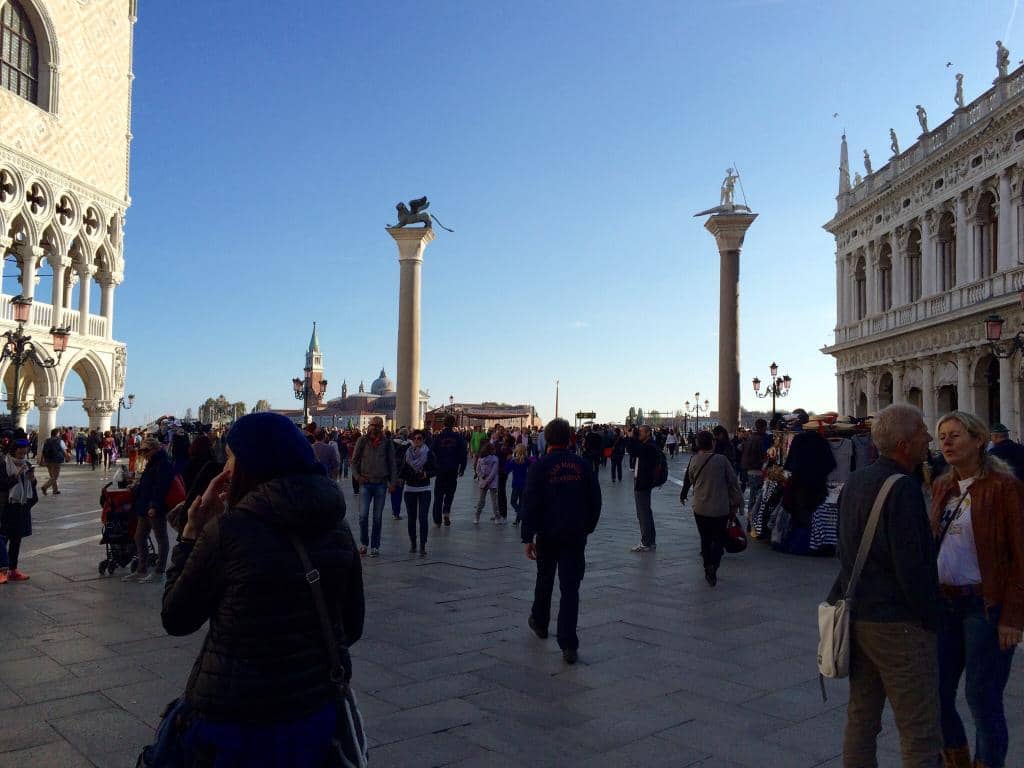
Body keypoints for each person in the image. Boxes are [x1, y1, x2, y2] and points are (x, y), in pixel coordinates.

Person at [161, 413, 364, 767]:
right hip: (312, 714)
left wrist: (192, 531)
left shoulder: (229, 532)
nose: (225, 469)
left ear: (251, 466)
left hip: (236, 720)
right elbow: (353, 624)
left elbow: (176, 617)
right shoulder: (338, 528)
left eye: (231, 458)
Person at [832, 404, 942, 768]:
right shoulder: (903, 489)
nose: (929, 437)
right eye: (923, 431)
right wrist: (931, 617)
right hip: (899, 626)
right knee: (920, 730)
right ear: (904, 443)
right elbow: (913, 568)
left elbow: (844, 550)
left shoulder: (856, 482)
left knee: (862, 719)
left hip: (859, 619)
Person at [931, 411, 1024, 768]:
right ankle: (955, 758)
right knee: (937, 693)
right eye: (942, 437)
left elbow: (1020, 555)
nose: (947, 442)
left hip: (985, 607)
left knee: (982, 697)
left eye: (955, 435)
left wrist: (1013, 617)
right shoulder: (942, 486)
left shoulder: (1004, 487)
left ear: (978, 440)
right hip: (944, 604)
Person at [521, 418, 601, 664]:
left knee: (544, 579)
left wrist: (527, 536)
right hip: (575, 536)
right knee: (570, 588)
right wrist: (587, 528)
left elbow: (530, 503)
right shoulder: (583, 465)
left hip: (547, 534)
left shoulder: (540, 466)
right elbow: (595, 500)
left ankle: (540, 621)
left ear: (547, 438)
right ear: (569, 439)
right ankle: (568, 643)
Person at [680, 431, 742, 586]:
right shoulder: (722, 460)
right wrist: (737, 503)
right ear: (712, 444)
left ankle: (707, 566)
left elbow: (690, 478)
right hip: (720, 507)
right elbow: (733, 482)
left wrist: (684, 494)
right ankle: (714, 565)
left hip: (700, 507)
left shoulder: (694, 460)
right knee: (719, 538)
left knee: (705, 539)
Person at [123, 437, 176, 584]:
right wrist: (135, 489)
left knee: (161, 539)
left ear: (155, 449)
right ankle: (141, 569)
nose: (143, 453)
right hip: (144, 506)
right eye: (142, 450)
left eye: (146, 450)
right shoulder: (152, 463)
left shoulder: (163, 464)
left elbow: (161, 487)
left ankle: (159, 571)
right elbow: (147, 484)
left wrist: (154, 506)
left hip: (154, 508)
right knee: (139, 537)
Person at [350, 417, 397, 557]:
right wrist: (357, 477)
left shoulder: (387, 443)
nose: (375, 428)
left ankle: (375, 546)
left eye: (378, 426)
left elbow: (392, 463)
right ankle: (364, 543)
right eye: (373, 425)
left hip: (381, 484)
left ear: (382, 427)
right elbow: (354, 461)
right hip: (365, 483)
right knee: (363, 516)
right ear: (369, 426)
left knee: (377, 517)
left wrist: (393, 482)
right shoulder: (362, 441)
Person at [0, 439, 38, 583]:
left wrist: (32, 479)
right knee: (3, 538)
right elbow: (3, 485)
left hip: (22, 506)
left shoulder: (27, 464)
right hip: (7, 506)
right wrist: (17, 475)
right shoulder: (4, 464)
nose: (23, 452)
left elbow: (31, 486)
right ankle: (2, 570)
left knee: (17, 539)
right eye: (21, 450)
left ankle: (13, 569)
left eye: (25, 450)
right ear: (13, 450)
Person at [399, 429, 436, 555]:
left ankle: (423, 545)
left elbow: (435, 469)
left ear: (423, 440)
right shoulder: (407, 453)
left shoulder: (429, 453)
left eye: (419, 438)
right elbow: (401, 470)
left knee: (423, 517)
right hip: (410, 489)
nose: (416, 441)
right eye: (414, 439)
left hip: (424, 489)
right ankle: (413, 543)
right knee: (411, 518)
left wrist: (426, 474)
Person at [431, 415, 467, 528]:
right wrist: (463, 467)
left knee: (438, 494)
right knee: (450, 493)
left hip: (441, 469)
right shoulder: (458, 437)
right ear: (454, 424)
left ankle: (437, 519)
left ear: (444, 423)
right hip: (453, 468)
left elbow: (431, 452)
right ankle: (446, 512)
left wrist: (434, 466)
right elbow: (463, 453)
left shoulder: (438, 437)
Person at [631, 425, 660, 553]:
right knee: (645, 512)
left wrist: (631, 438)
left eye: (641, 432)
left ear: (648, 433)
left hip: (643, 483)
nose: (639, 434)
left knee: (643, 514)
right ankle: (650, 541)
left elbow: (634, 451)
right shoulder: (648, 444)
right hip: (643, 482)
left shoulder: (649, 446)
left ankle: (646, 542)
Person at [741, 419, 771, 515]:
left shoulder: (750, 438)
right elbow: (764, 455)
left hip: (750, 470)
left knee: (752, 496)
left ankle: (750, 519)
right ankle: (754, 520)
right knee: (758, 497)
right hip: (759, 470)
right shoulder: (763, 439)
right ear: (764, 427)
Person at [506, 444, 533, 525]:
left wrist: (507, 460)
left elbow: (506, 469)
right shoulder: (527, 460)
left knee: (513, 502)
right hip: (525, 484)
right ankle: (517, 520)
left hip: (516, 484)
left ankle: (521, 514)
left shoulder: (514, 461)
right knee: (521, 503)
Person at [474, 443, 499, 524]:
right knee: (494, 501)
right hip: (492, 481)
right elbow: (494, 472)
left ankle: (477, 517)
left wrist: (482, 478)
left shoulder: (480, 459)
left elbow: (477, 470)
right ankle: (496, 517)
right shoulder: (495, 459)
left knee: (481, 500)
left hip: (483, 481)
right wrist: (486, 480)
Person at [39, 428, 65, 496]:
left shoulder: (46, 441)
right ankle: (45, 487)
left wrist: (41, 460)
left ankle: (55, 490)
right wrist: (67, 456)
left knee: (52, 476)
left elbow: (43, 451)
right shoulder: (60, 441)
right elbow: (64, 450)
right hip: (56, 460)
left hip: (48, 460)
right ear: (57, 434)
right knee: (55, 477)